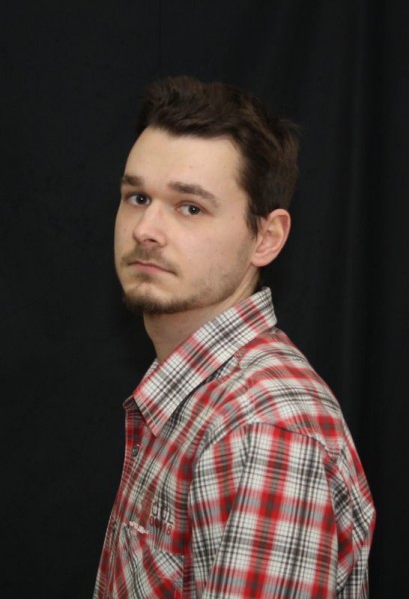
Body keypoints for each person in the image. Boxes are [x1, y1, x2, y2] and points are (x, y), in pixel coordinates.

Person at [93, 76, 375, 598]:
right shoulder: (193, 391)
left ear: (266, 237)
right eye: (137, 197)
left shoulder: (264, 430)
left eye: (190, 206)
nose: (145, 229)